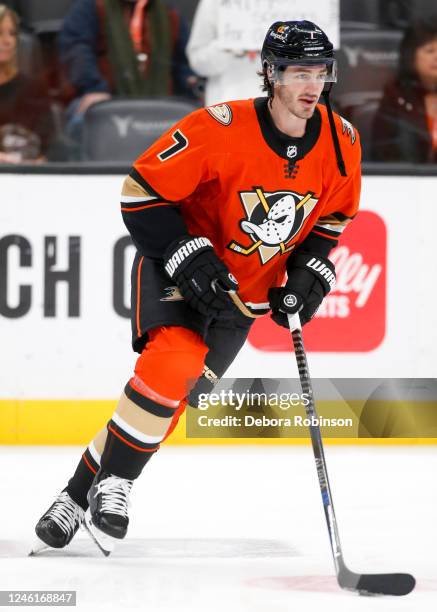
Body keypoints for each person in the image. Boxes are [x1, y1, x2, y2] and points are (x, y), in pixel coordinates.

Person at [33, 20, 361, 555]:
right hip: (178, 273)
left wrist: (307, 272)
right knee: (172, 365)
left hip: (242, 299)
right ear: (272, 74)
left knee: (170, 401)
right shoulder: (221, 126)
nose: (311, 84)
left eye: (320, 72)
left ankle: (74, 496)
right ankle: (117, 484)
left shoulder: (343, 142)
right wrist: (187, 252)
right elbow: (141, 190)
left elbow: (332, 220)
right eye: (299, 71)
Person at [58, 0, 198, 141]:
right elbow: (76, 50)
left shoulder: (169, 14)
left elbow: (183, 64)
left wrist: (191, 82)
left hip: (161, 102)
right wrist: (93, 88)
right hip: (105, 97)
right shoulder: (91, 7)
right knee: (83, 118)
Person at [371, 18, 437, 163]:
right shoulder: (396, 95)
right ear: (411, 56)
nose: (436, 57)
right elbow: (383, 150)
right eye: (430, 50)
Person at [0, 5, 55, 163]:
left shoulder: (33, 88)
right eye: (0, 33)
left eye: (12, 34)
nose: (7, 41)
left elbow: (45, 145)